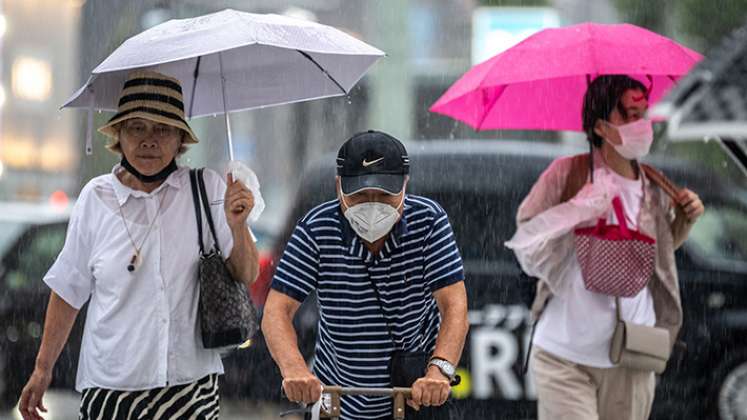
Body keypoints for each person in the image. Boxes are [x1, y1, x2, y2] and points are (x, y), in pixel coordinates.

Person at [17, 70, 260, 420]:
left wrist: (238, 228)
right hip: (111, 390)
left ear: (180, 139)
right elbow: (68, 289)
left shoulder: (207, 189)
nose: (149, 140)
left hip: (190, 389)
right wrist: (43, 368)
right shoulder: (95, 197)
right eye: (137, 127)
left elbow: (247, 273)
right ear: (119, 135)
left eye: (162, 129)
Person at [509, 75, 705, 420]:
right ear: (600, 125)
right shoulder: (567, 174)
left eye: (643, 114)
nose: (640, 125)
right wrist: (577, 211)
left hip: (632, 352)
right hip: (563, 355)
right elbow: (527, 241)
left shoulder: (654, 184)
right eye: (629, 115)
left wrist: (684, 220)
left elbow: (656, 257)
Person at [262, 130, 469, 420]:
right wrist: (294, 368)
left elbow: (454, 305)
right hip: (336, 397)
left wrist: (439, 371)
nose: (373, 205)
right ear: (339, 188)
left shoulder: (429, 222)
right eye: (360, 195)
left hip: (412, 397)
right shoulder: (316, 228)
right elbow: (277, 309)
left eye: (385, 195)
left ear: (405, 186)